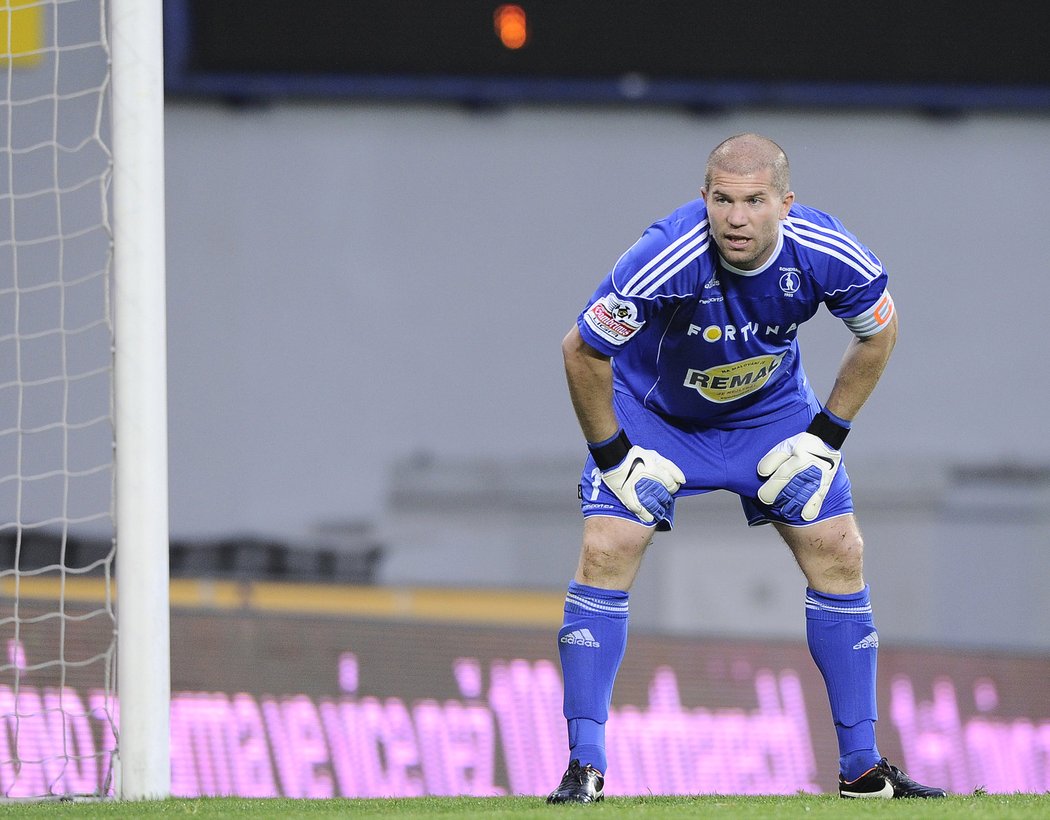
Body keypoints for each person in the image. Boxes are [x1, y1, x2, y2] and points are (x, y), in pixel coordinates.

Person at [547, 133, 947, 802]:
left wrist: (827, 438)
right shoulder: (663, 255)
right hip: (658, 418)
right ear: (703, 198)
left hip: (772, 414)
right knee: (605, 547)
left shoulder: (829, 254)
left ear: (785, 205)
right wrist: (613, 457)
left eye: (754, 201)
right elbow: (580, 350)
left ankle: (862, 772)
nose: (735, 219)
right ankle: (585, 768)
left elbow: (879, 332)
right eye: (722, 200)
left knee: (840, 550)